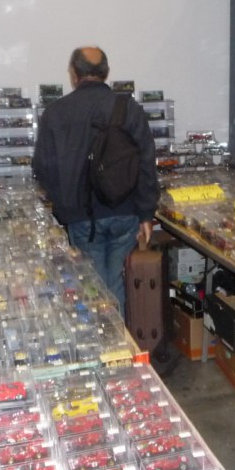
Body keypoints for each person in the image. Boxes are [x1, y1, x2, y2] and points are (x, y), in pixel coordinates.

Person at [33, 47, 160, 314]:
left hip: (80, 217)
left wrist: (64, 206)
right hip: (125, 212)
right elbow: (147, 163)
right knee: (116, 282)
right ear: (106, 73)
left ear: (74, 74)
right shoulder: (128, 108)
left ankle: (103, 335)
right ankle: (119, 336)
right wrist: (146, 213)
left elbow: (43, 168)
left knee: (91, 284)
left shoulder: (55, 113)